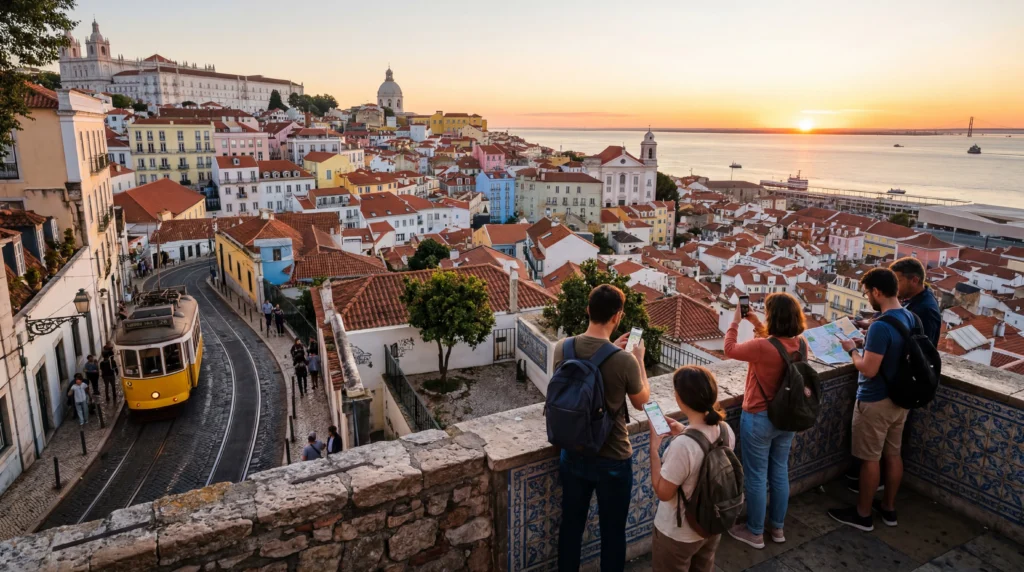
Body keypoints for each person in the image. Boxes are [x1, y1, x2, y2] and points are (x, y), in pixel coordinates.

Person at [554, 284, 650, 572]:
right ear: (617, 316)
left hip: (572, 450)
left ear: (588, 310)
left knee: (570, 527)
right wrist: (638, 360)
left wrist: (612, 351)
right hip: (613, 456)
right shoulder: (624, 360)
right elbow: (641, 402)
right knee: (613, 533)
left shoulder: (563, 347)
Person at [828, 268, 913, 532]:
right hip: (901, 399)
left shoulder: (880, 326)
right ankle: (888, 508)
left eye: (867, 293)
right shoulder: (909, 316)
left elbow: (868, 369)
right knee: (893, 454)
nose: (867, 298)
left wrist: (853, 350)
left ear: (877, 292)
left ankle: (863, 515)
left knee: (870, 459)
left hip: (876, 401)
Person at [723, 292, 808, 549]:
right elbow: (777, 345)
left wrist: (736, 321)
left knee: (757, 476)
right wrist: (756, 322)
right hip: (788, 416)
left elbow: (729, 349)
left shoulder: (761, 347)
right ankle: (778, 528)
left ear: (774, 318)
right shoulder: (801, 344)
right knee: (779, 471)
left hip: (759, 417)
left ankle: (755, 532)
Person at [649, 366, 734, 572]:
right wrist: (685, 430)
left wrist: (653, 450)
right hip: (710, 526)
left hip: (678, 535)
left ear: (679, 398)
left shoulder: (683, 446)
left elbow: (663, 493)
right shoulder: (725, 430)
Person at [891, 257, 941, 347]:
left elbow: (922, 349)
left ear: (914, 280)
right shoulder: (920, 296)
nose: (893, 286)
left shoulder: (925, 311)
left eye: (897, 281)